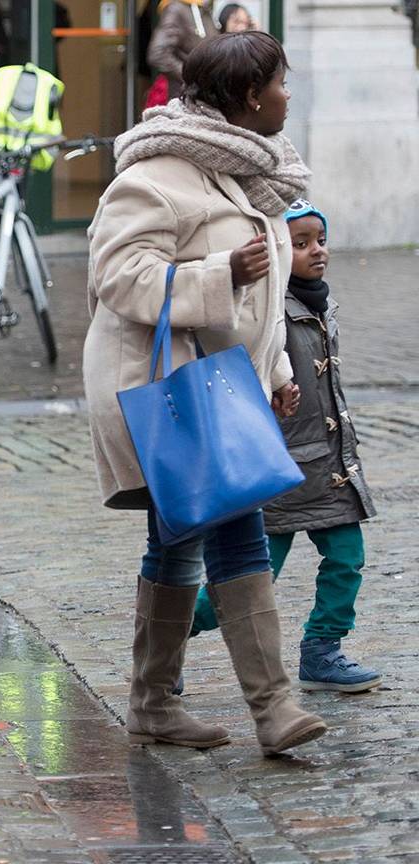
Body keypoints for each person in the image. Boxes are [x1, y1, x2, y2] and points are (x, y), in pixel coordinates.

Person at [83, 32, 327, 755]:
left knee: (177, 543)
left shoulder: (251, 175)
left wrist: (276, 376)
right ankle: (274, 708)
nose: (288, 96)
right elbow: (117, 276)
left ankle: (152, 702)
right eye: (281, 83)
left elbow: (265, 298)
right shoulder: (157, 173)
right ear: (251, 94)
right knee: (235, 532)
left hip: (226, 395)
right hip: (170, 393)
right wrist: (220, 272)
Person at [190, 200, 381, 693]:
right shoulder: (267, 312)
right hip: (277, 470)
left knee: (345, 557)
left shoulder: (321, 306)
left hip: (329, 469)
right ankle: (165, 639)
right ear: (275, 252)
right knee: (247, 580)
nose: (316, 251)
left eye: (320, 240)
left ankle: (322, 649)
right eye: (300, 244)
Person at [148, 0, 218, 100]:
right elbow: (158, 54)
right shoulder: (176, 9)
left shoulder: (203, 9)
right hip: (187, 99)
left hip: (206, 97)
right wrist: (193, 79)